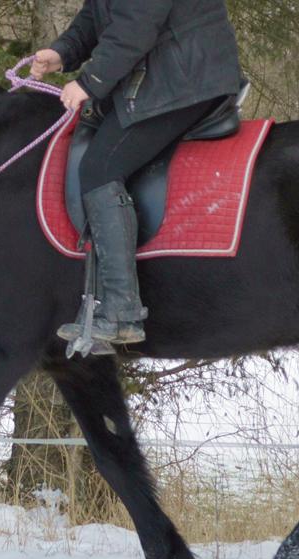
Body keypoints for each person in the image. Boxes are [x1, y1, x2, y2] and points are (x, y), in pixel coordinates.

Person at [31, 1, 243, 348]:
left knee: (101, 168)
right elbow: (98, 13)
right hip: (166, 74)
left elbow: (136, 24)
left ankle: (120, 311)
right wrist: (61, 52)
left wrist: (90, 82)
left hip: (182, 79)